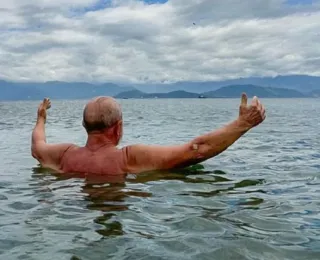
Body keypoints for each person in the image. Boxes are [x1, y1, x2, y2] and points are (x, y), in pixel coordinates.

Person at [31, 94, 266, 175]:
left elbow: (37, 145)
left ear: (84, 125)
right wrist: (242, 124)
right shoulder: (129, 158)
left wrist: (41, 117)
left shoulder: (63, 156)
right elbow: (196, 150)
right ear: (118, 127)